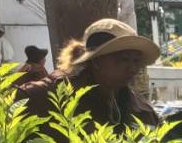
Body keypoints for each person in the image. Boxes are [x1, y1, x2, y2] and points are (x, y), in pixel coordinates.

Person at [17, 18, 162, 135]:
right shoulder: (49, 96)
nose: (132, 68)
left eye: (136, 61)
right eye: (124, 59)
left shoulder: (142, 110)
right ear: (97, 61)